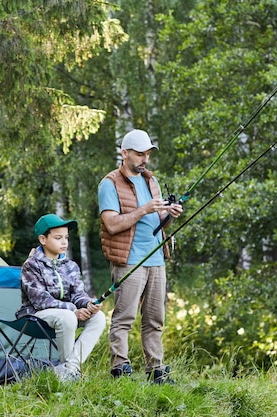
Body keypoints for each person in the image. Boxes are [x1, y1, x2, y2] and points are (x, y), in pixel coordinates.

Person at [97, 129, 183, 384]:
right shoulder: (109, 184)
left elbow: (156, 222)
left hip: (156, 258)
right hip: (129, 260)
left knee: (155, 319)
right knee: (124, 317)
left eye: (147, 153)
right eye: (139, 153)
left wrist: (170, 214)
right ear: (124, 153)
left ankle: (156, 370)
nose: (144, 159)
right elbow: (111, 224)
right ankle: (119, 367)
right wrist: (143, 209)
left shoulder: (151, 181)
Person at [16, 213, 106, 382]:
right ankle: (69, 372)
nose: (64, 242)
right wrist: (74, 310)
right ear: (43, 239)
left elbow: (78, 294)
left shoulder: (71, 266)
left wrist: (88, 304)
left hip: (66, 315)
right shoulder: (31, 265)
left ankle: (69, 368)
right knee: (68, 317)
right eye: (58, 238)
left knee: (98, 317)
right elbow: (41, 300)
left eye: (66, 237)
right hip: (35, 315)